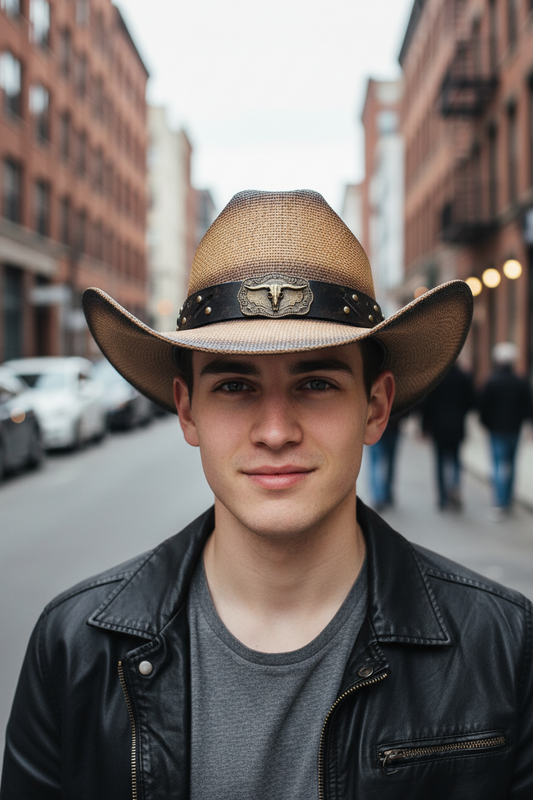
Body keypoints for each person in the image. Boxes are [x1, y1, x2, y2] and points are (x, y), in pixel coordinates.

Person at [2, 190, 532, 799]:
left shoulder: (501, 647)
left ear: (376, 407)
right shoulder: (76, 649)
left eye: (315, 382)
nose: (276, 431)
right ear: (187, 410)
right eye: (233, 385)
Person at [479, 342, 533, 520]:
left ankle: (500, 502)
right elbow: (527, 408)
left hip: (497, 430)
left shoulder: (492, 381)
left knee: (499, 465)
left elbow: (484, 407)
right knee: (511, 464)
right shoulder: (520, 382)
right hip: (514, 429)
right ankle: (507, 499)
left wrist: (486, 424)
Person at [420, 362, 474, 510]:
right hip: (457, 426)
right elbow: (471, 402)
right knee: (456, 460)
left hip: (438, 427)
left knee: (439, 462)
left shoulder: (436, 378)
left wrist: (424, 427)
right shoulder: (464, 378)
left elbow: (427, 405)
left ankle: (443, 497)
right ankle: (454, 486)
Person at [367, 412, 403, 511]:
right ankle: (385, 494)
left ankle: (379, 496)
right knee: (388, 461)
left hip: (377, 426)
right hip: (392, 425)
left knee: (376, 462)